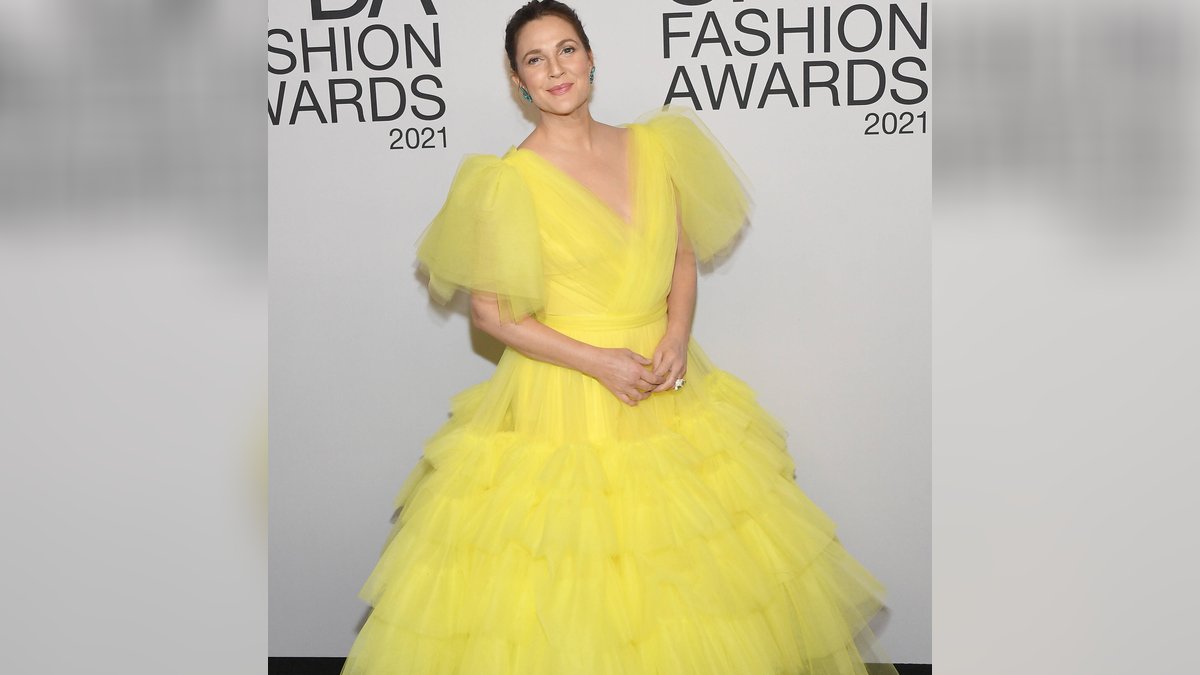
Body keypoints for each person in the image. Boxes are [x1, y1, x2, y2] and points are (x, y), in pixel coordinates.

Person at [340, 2, 900, 674]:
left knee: (687, 578)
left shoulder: (655, 145)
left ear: (591, 58)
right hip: (570, 393)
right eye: (535, 59)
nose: (555, 69)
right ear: (517, 80)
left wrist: (676, 331)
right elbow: (491, 315)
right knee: (574, 585)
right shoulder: (505, 180)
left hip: (667, 384)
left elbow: (681, 259)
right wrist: (598, 361)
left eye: (566, 49)